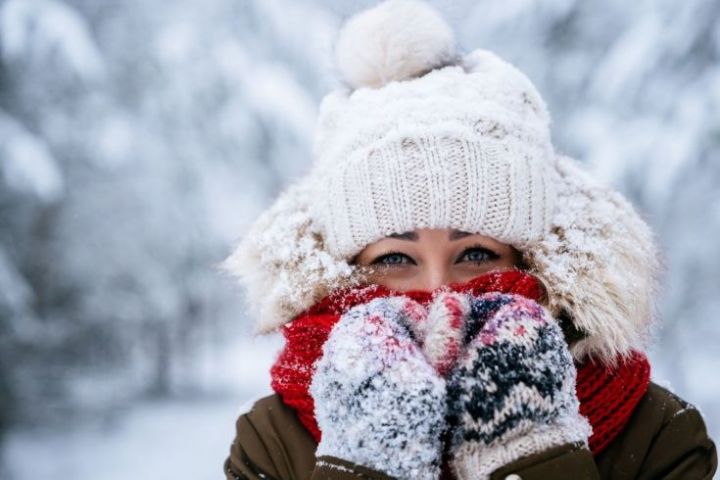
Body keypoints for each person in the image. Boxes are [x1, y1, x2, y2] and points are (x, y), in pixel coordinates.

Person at [219, 1, 717, 479]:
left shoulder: (655, 434)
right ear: (346, 270)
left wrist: (532, 457)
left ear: (532, 262)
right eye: (395, 257)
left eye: (475, 254)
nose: (440, 291)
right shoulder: (271, 442)